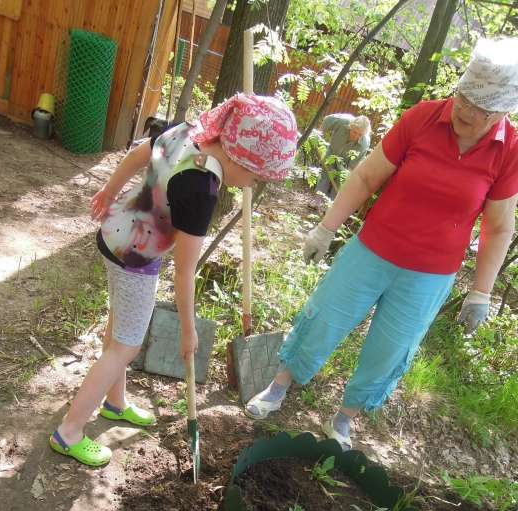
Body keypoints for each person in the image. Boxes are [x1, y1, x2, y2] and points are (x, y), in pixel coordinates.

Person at [245, 37, 518, 451]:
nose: (463, 110)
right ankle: (279, 387)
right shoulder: (423, 118)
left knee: (389, 350)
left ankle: (343, 420)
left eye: (478, 109)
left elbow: (498, 227)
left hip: (429, 276)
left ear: (500, 112)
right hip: (372, 251)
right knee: (324, 319)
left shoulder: (509, 150)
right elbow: (365, 177)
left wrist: (481, 292)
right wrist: (325, 228)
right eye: (462, 97)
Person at [50, 93, 298, 466]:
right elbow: (184, 272)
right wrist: (188, 329)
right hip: (136, 255)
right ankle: (69, 432)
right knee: (126, 347)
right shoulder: (201, 189)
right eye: (253, 176)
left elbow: (137, 155)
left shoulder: (189, 130)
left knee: (121, 329)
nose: (249, 185)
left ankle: (115, 404)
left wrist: (110, 190)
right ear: (236, 154)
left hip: (114, 233)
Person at [315, 113, 371, 198]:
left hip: (345, 164)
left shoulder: (364, 144)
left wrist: (344, 176)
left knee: (339, 184)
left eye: (360, 134)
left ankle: (329, 208)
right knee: (325, 176)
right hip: (332, 153)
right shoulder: (343, 121)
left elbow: (352, 166)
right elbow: (327, 120)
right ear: (351, 126)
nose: (356, 136)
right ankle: (316, 201)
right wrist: (318, 134)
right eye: (354, 132)